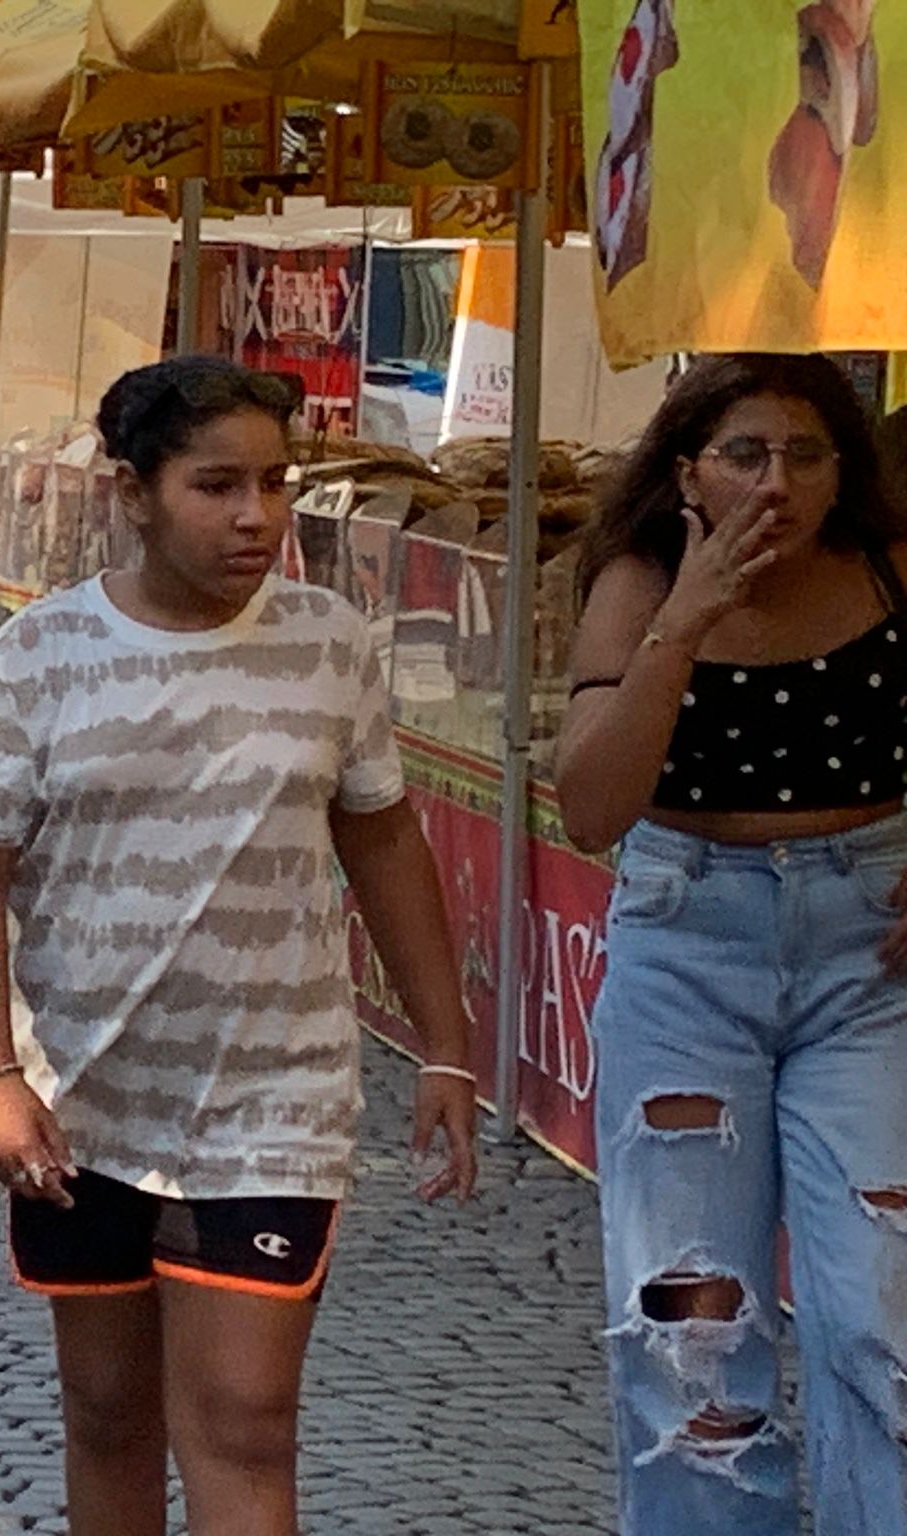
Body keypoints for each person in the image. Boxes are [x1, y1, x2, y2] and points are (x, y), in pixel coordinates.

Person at [0, 356, 478, 1536]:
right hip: (82, 1103)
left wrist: (443, 1044)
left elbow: (381, 839)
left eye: (274, 484)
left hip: (273, 1103)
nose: (255, 516)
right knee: (108, 1412)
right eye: (215, 486)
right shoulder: (35, 658)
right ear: (132, 492)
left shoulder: (328, 644)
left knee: (243, 1419)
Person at [555, 354, 907, 1535]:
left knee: (883, 1307)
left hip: (867, 957)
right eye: (742, 454)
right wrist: (684, 621)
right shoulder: (639, 580)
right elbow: (591, 807)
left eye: (804, 455)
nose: (774, 484)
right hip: (685, 946)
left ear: (842, 471)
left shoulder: (882, 568)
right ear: (685, 472)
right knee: (688, 1327)